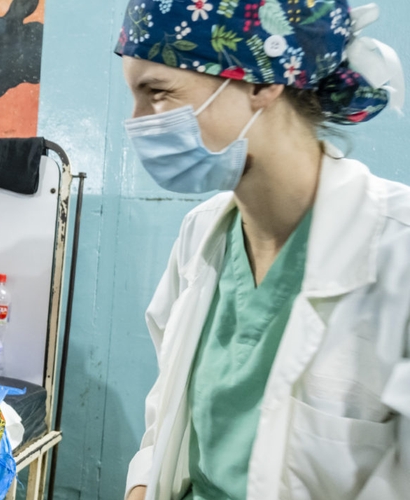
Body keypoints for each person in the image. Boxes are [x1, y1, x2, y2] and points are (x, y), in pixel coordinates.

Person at [116, 1, 409, 499]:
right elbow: (168, 411)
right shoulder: (201, 235)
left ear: (261, 83)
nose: (137, 122)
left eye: (158, 94)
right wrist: (143, 484)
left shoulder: (395, 249)